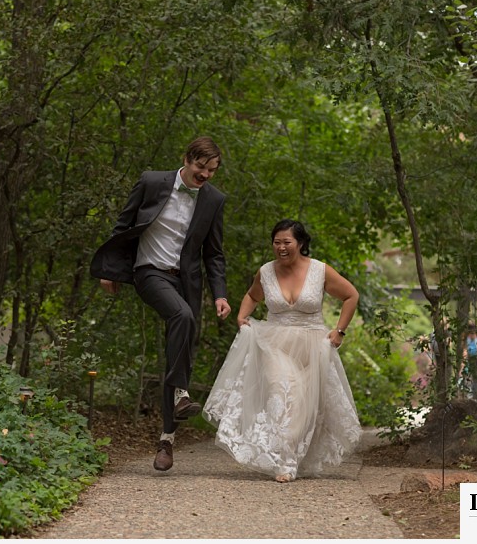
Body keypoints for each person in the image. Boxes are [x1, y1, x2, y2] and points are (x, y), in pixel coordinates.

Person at [90, 136, 232, 472]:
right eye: (201, 167)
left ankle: (167, 441)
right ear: (186, 158)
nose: (205, 175)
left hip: (187, 281)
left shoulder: (214, 200)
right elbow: (123, 224)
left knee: (179, 350)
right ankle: (181, 391)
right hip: (149, 272)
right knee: (181, 315)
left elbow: (214, 254)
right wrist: (109, 270)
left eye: (211, 170)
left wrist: (220, 294)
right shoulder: (152, 181)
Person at [203, 219, 361, 482]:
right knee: (282, 392)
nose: (281, 247)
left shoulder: (320, 271)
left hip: (312, 346)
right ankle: (285, 462)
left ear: (300, 243)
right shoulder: (265, 272)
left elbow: (351, 295)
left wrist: (340, 331)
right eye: (276, 243)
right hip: (274, 343)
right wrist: (242, 317)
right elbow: (253, 296)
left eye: (287, 242)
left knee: (304, 405)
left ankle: (292, 455)